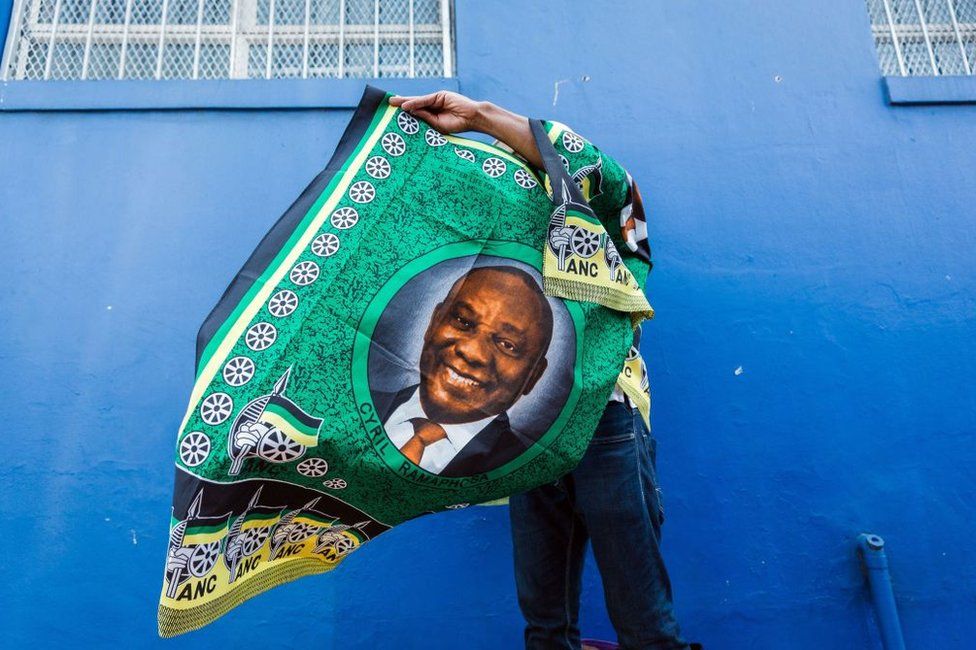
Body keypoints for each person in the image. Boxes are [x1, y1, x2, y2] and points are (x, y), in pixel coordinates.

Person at [389, 91, 692, 649]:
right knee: (545, 625)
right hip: (532, 432)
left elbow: (609, 179)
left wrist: (480, 116)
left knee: (643, 622)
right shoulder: (495, 233)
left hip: (606, 416)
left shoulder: (594, 214)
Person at [373, 265, 554, 477]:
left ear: (534, 376)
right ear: (433, 322)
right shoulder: (348, 406)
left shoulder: (526, 469)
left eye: (507, 344)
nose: (471, 351)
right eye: (462, 321)